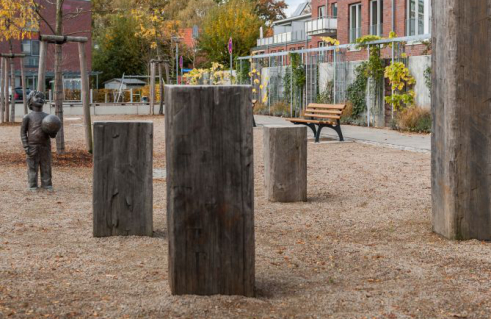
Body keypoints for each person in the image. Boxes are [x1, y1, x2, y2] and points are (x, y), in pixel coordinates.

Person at [20, 91, 56, 190]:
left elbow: (51, 134)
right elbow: (23, 133)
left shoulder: (48, 117)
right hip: (32, 146)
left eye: (42, 97)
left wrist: (54, 131)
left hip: (45, 146)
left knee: (46, 166)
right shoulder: (27, 117)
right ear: (30, 102)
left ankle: (47, 184)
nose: (40, 99)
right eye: (37, 97)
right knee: (32, 167)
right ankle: (32, 185)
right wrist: (26, 146)